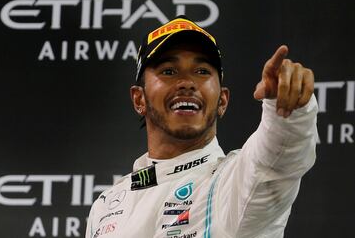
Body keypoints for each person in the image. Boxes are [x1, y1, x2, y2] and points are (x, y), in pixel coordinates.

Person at [85, 15, 317, 238]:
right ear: (139, 99)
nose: (187, 82)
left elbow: (276, 160)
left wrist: (288, 110)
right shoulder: (108, 203)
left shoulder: (233, 182)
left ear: (222, 101)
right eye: (169, 71)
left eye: (202, 71)